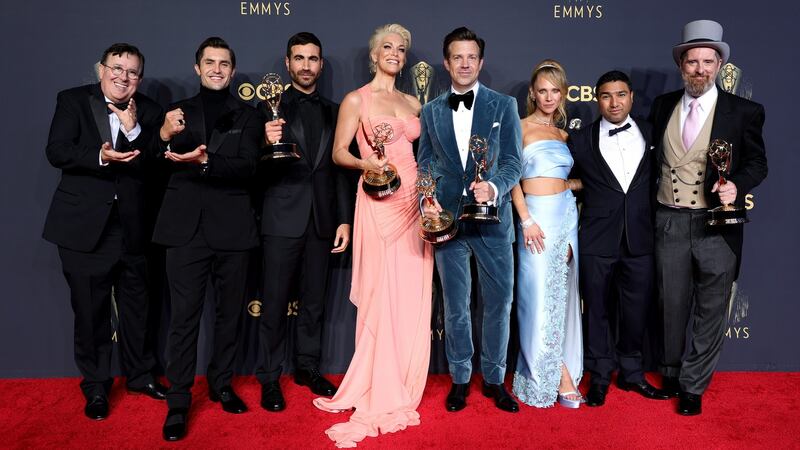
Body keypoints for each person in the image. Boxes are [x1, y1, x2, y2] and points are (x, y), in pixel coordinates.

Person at [311, 23, 433, 447]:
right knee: (383, 296)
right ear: (374, 54)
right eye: (388, 46)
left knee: (411, 295)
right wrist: (369, 167)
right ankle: (376, 382)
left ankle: (401, 374)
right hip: (379, 204)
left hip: (414, 205)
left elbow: (425, 154)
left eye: (402, 48)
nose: (395, 53)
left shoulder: (413, 101)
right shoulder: (357, 99)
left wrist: (430, 197)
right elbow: (339, 152)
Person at [648, 19, 767, 416]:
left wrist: (737, 185)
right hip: (670, 220)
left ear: (719, 65)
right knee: (671, 303)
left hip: (718, 224)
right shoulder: (663, 105)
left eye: (707, 61)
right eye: (692, 61)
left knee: (712, 307)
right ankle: (669, 372)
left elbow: (758, 163)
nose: (699, 69)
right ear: (681, 65)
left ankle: (694, 385)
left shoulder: (745, 111)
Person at [43, 42, 167, 420]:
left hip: (133, 228)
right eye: (116, 67)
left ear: (139, 78)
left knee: (138, 309)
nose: (123, 76)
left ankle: (140, 375)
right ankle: (96, 387)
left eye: (131, 71)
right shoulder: (72, 101)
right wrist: (100, 156)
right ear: (101, 70)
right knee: (91, 311)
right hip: (84, 229)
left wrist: (134, 133)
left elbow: (155, 168)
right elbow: (57, 151)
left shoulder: (149, 110)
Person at [152, 37, 262, 440]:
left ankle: (221, 384)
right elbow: (151, 165)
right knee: (183, 319)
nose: (217, 69)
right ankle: (178, 400)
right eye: (209, 62)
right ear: (197, 68)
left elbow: (249, 166)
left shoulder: (248, 116)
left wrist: (205, 161)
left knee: (229, 315)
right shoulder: (175, 113)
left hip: (232, 229)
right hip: (184, 230)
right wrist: (163, 137)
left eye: (224, 63)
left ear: (233, 71)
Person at [418, 27, 522, 413]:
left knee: (499, 304)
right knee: (456, 306)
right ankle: (460, 380)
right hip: (449, 224)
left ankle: (495, 380)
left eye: (471, 57)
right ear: (446, 63)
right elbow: (425, 162)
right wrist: (426, 199)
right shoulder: (430, 111)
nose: (464, 63)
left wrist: (493, 187)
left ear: (481, 61)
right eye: (457, 57)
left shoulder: (504, 105)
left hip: (494, 222)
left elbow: (514, 161)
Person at [255, 32, 353, 412]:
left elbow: (341, 171)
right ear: (288, 63)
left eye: (313, 59)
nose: (306, 65)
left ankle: (307, 368)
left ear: (321, 64)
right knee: (275, 302)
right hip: (281, 218)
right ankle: (268, 377)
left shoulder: (336, 110)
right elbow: (253, 168)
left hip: (323, 220)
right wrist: (266, 143)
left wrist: (344, 220)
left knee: (314, 302)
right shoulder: (268, 109)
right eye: (299, 58)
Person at [569, 70, 668, 406]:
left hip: (641, 238)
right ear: (598, 100)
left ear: (631, 97)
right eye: (607, 96)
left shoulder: (652, 132)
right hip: (597, 239)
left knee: (636, 310)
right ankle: (599, 376)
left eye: (621, 95)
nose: (614, 102)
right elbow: (565, 181)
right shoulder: (580, 140)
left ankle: (632, 373)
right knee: (595, 310)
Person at [509, 60, 582, 408]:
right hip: (534, 220)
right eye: (543, 90)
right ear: (532, 94)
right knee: (535, 299)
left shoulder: (565, 135)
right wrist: (526, 221)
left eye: (555, 90)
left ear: (563, 94)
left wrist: (571, 185)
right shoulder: (519, 127)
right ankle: (549, 375)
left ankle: (562, 367)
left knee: (558, 299)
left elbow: (570, 179)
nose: (549, 96)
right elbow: (511, 178)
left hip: (565, 217)